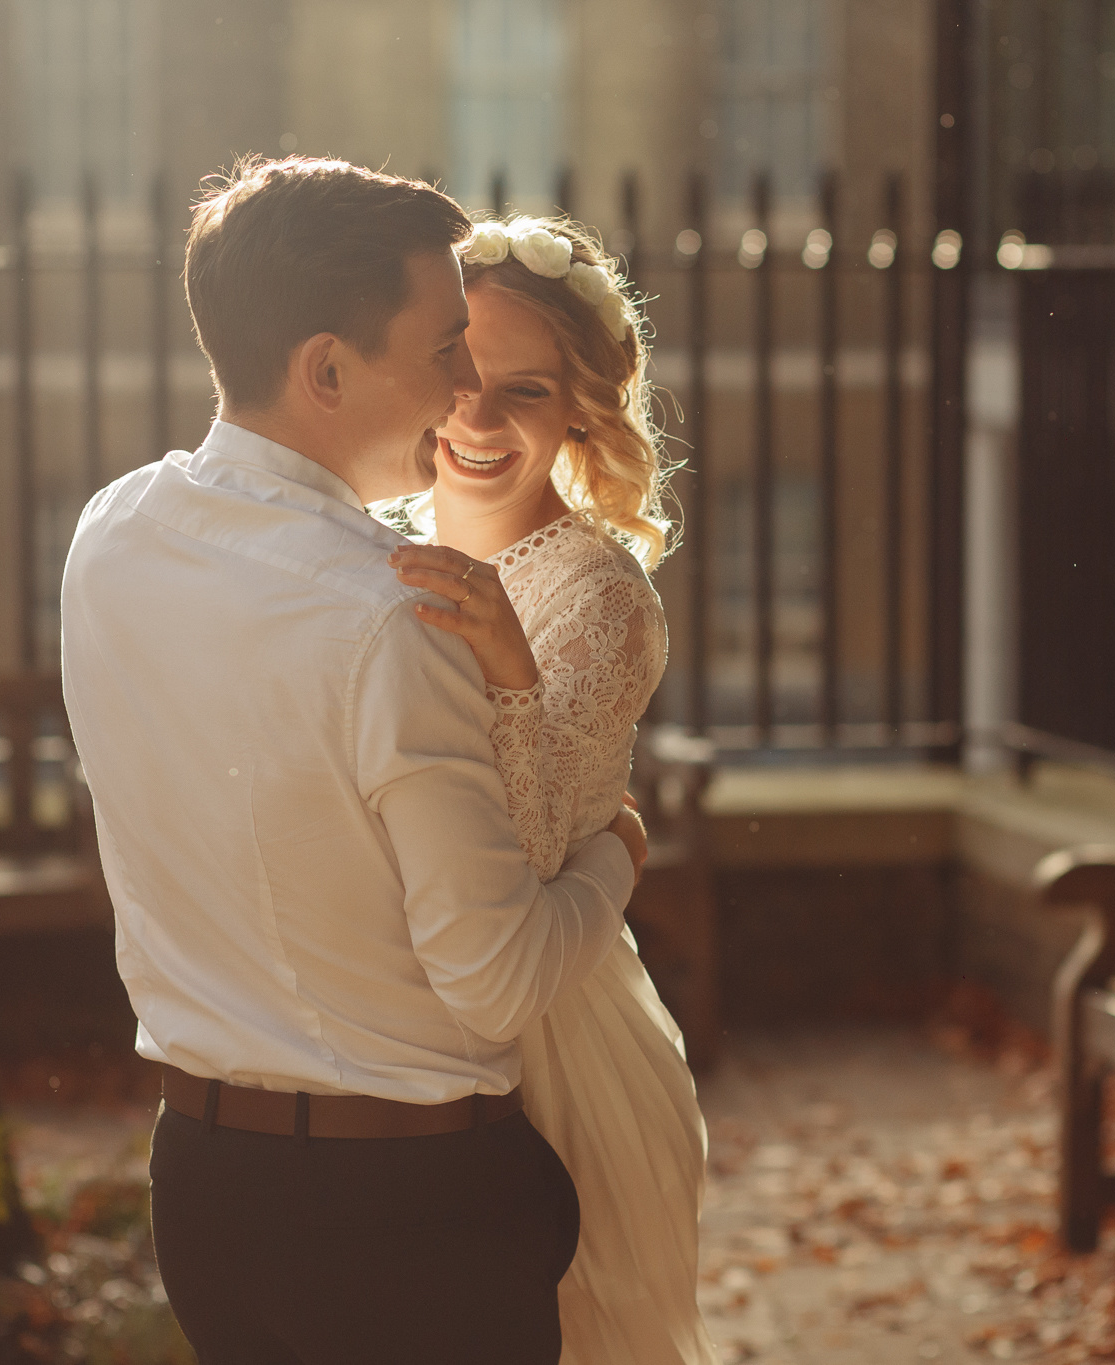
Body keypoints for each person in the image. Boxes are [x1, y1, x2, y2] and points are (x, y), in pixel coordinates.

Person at [59, 158, 650, 1365]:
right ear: (325, 368)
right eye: (442, 350)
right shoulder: (391, 616)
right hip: (407, 1217)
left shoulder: (108, 534)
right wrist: (614, 860)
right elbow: (494, 977)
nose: (464, 386)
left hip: (206, 1191)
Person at [387, 215, 717, 1364]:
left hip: (555, 1060)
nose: (477, 419)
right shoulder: (369, 546)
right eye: (461, 377)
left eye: (521, 391)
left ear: (578, 409)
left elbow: (520, 857)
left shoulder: (599, 597)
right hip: (395, 1038)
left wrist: (510, 675)